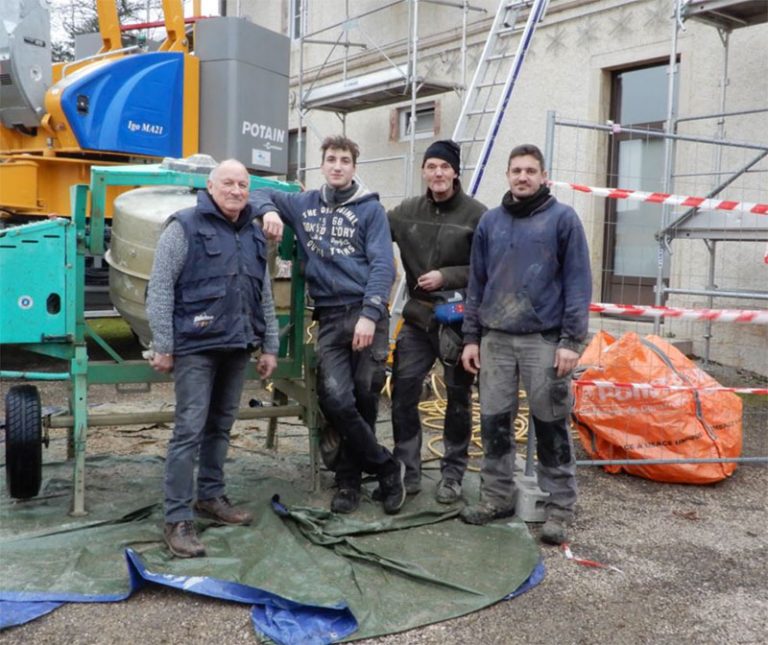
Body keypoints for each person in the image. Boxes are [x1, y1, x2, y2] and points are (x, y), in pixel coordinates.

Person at [251, 135, 406, 515]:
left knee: (364, 394)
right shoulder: (304, 204)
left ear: (354, 167)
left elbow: (383, 265)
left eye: (345, 160)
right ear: (322, 165)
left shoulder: (370, 211)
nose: (337, 166)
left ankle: (349, 481)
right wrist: (268, 210)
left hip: (365, 312)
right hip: (330, 315)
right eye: (331, 159)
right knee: (335, 398)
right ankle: (386, 466)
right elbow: (256, 189)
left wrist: (370, 314)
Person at [146, 159, 279, 558]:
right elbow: (160, 289)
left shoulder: (254, 235)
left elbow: (265, 295)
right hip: (195, 348)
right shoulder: (183, 227)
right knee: (189, 429)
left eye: (242, 184)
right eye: (228, 183)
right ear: (210, 185)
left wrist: (269, 345)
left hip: (237, 346)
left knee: (221, 426)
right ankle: (177, 518)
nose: (236, 190)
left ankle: (211, 496)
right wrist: (164, 344)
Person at [460, 143, 591, 545]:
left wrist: (571, 341)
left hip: (544, 342)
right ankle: (497, 497)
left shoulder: (563, 220)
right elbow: (476, 283)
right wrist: (471, 337)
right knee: (495, 423)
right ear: (507, 175)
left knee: (551, 425)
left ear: (543, 176)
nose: (523, 177)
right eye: (516, 170)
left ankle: (558, 509)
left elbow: (578, 283)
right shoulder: (491, 222)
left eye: (530, 171)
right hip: (496, 340)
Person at [387, 139, 486, 502]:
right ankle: (407, 470)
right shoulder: (406, 212)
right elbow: (371, 227)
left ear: (455, 171)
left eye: (444, 167)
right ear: (424, 171)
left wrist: (448, 276)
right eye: (431, 167)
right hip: (417, 318)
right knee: (404, 391)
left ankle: (453, 473)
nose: (438, 173)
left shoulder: (477, 215)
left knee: (458, 397)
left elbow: (488, 268)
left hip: (458, 322)